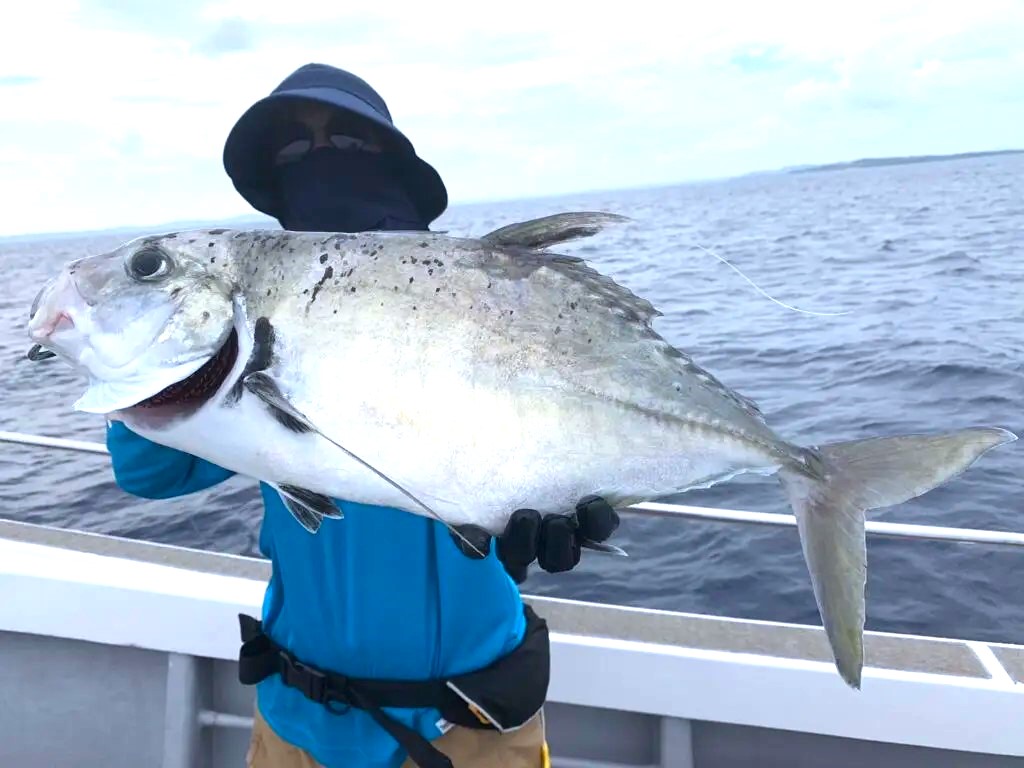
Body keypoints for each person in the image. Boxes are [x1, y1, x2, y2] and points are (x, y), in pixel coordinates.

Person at [106, 63, 620, 768]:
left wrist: (568, 496)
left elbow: (585, 414)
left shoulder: (484, 297)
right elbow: (148, 474)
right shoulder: (257, 326)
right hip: (298, 721)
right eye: (294, 152)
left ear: (392, 163)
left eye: (344, 141)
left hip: (468, 726)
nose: (319, 164)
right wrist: (138, 353)